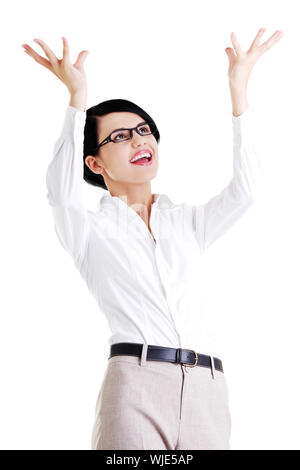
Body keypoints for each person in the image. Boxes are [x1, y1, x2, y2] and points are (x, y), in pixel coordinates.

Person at [22, 28, 284, 450]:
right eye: (120, 136)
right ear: (94, 161)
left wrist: (239, 92)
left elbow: (249, 190)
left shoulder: (188, 223)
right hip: (137, 383)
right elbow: (60, 188)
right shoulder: (88, 230)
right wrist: (77, 99)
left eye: (144, 130)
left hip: (209, 387)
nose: (139, 140)